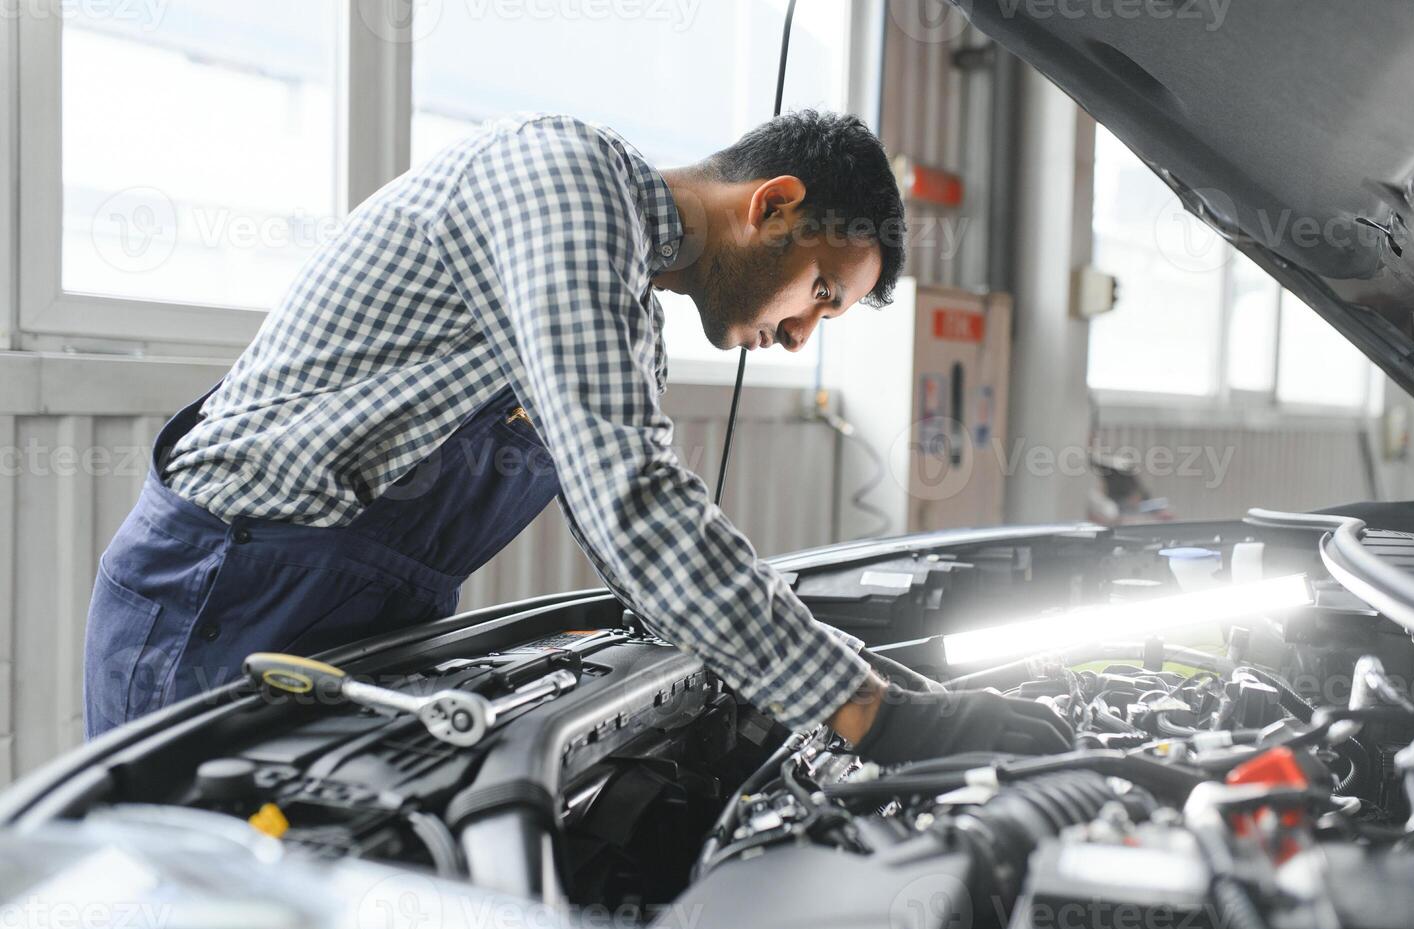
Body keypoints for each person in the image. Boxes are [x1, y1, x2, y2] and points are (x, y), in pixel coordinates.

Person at [83, 109, 1070, 760]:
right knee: (184, 922)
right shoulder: (565, 188)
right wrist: (867, 710)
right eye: (819, 291)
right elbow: (633, 503)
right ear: (773, 204)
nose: (803, 332)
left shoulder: (628, 309)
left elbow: (654, 505)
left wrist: (850, 665)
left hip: (338, 617)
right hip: (220, 593)